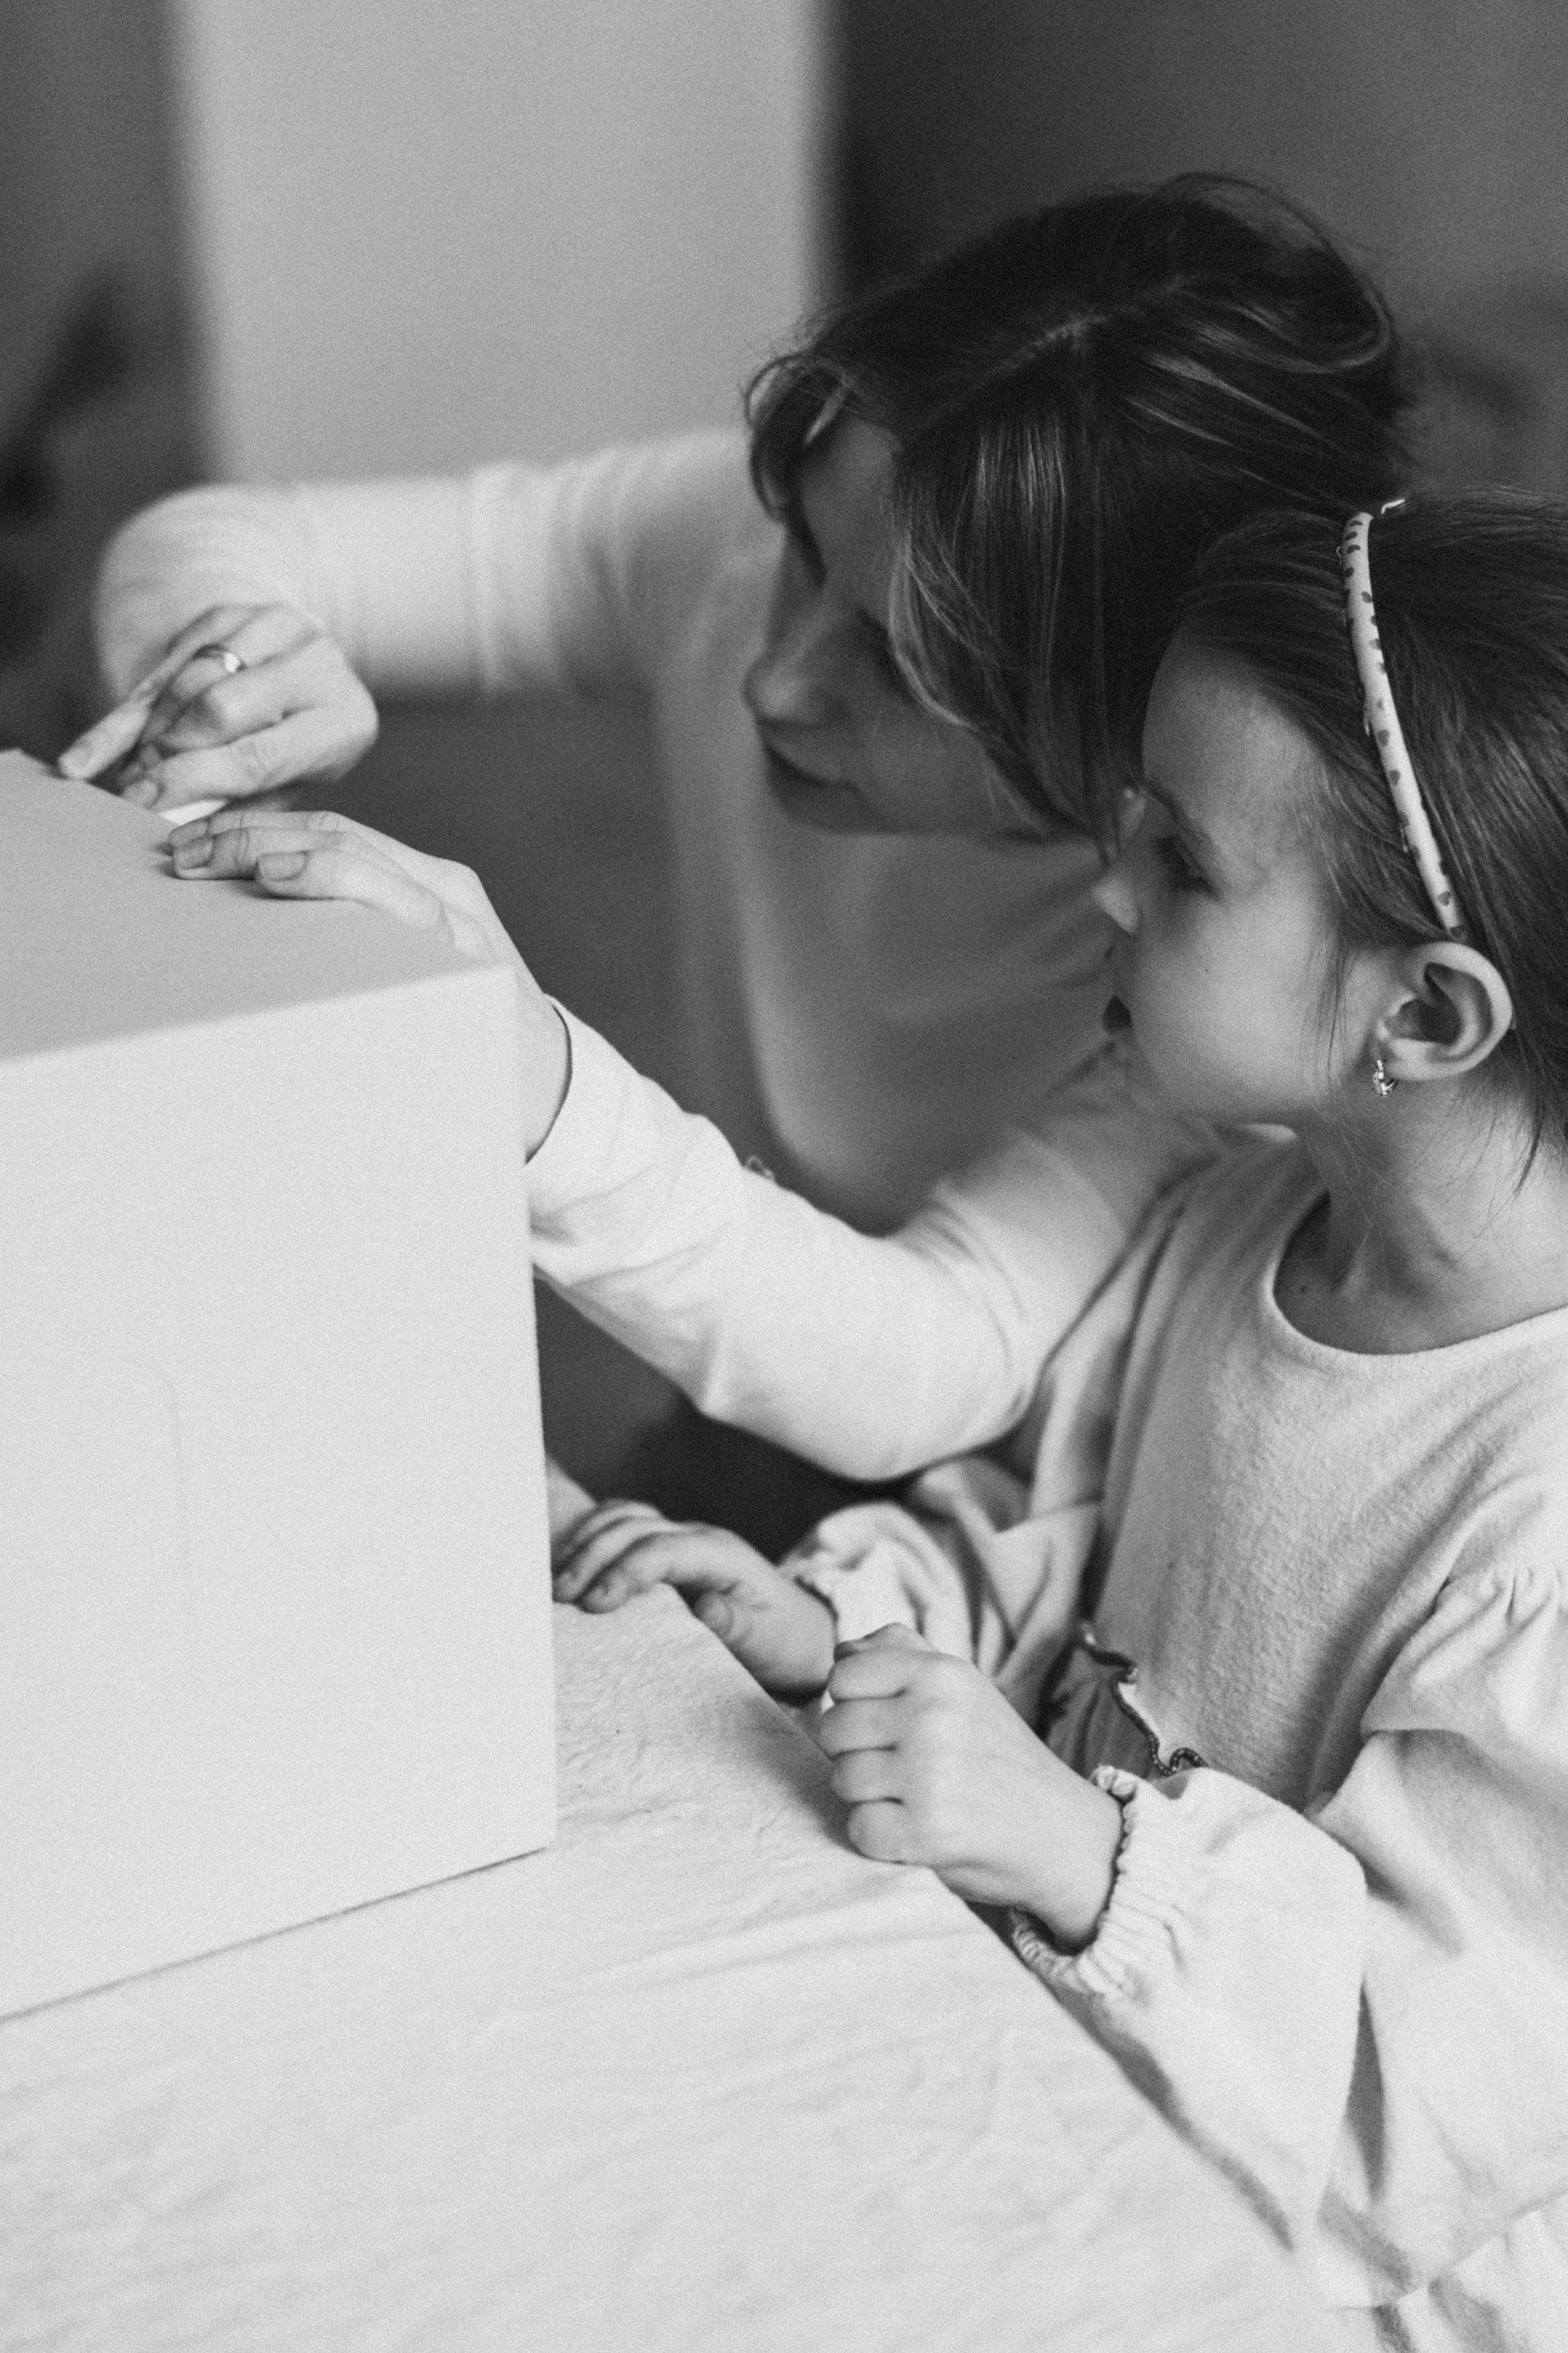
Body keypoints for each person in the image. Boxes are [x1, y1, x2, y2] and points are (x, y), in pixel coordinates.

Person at [170, 489, 1568, 2347]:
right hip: (1059, 2066)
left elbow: (1423, 2104)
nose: (1104, 885)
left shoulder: (1539, 1516)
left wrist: (1081, 1851)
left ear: (1433, 1013)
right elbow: (1057, 1549)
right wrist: (847, 1627)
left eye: (1185, 861)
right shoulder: (1242, 1221)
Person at [62, 178, 1411, 1543]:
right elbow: (212, 540)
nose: (774, 676)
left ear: (1120, 727)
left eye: (901, 666)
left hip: (1047, 1540)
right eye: (803, 552)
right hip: (743, 1398)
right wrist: (233, 666)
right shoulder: (758, 543)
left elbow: (934, 1358)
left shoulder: (1237, 948)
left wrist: (535, 1080)